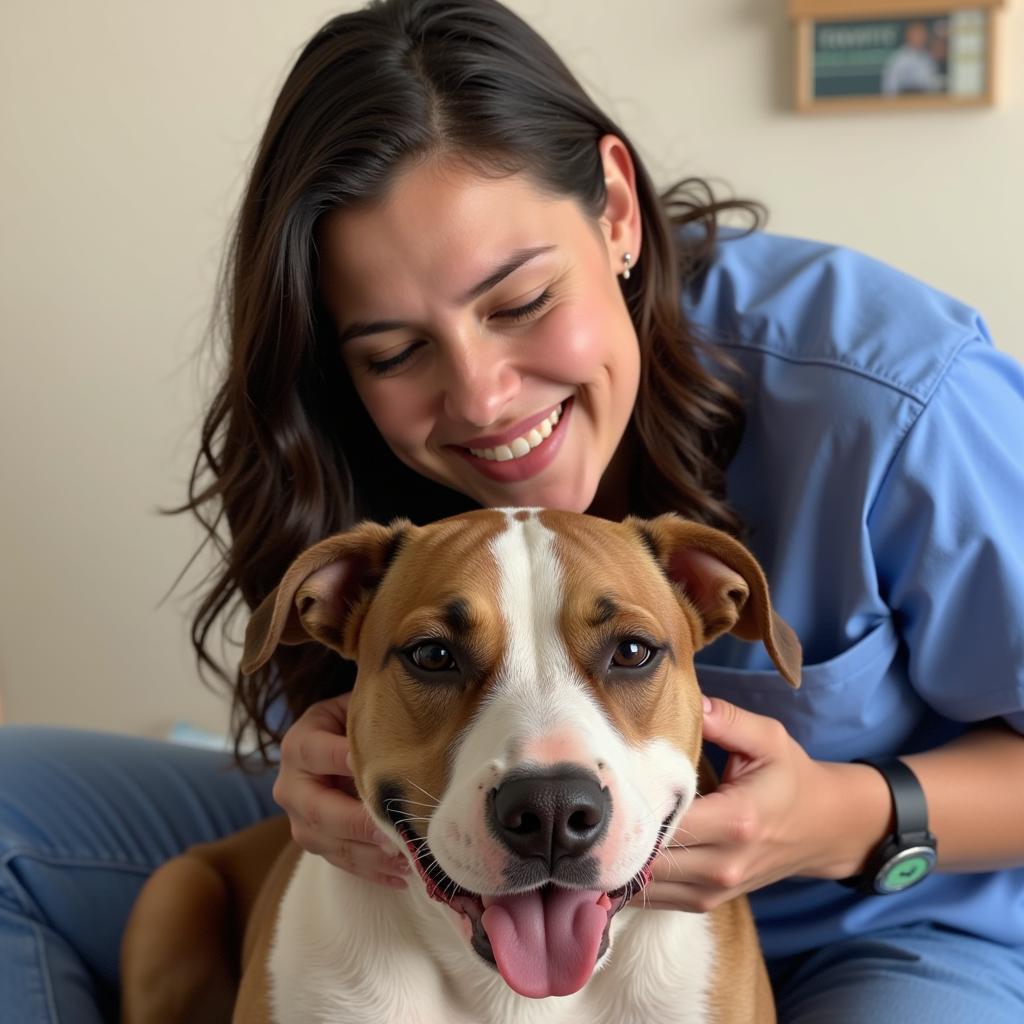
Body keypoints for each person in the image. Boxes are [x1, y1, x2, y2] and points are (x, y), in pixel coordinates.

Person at [2, 0, 1023, 1020]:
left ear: (616, 210)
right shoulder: (348, 468)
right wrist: (318, 775)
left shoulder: (890, 398)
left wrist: (849, 816)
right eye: (395, 351)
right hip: (453, 860)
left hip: (893, 913)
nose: (484, 398)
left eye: (521, 301)